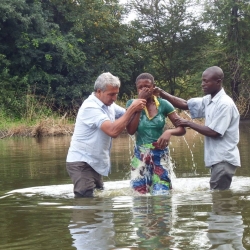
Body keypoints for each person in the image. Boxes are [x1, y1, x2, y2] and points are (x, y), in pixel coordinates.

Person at [155, 66, 241, 190]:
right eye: (202, 81)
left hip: (224, 159)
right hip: (218, 159)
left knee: (220, 200)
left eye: (206, 81)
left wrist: (189, 123)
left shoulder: (225, 104)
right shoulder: (209, 100)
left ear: (218, 82)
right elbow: (185, 104)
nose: (202, 84)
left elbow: (214, 132)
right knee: (218, 197)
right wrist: (161, 93)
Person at [66, 72, 147, 198]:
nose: (114, 98)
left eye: (116, 94)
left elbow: (127, 116)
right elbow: (113, 131)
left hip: (94, 162)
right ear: (99, 91)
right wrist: (132, 108)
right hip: (82, 162)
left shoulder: (109, 105)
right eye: (111, 94)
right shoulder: (90, 106)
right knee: (85, 199)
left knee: (98, 200)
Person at [126, 73, 186, 195]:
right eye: (140, 87)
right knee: (139, 195)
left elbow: (182, 128)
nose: (144, 89)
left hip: (160, 154)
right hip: (140, 155)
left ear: (153, 87)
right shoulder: (131, 104)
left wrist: (169, 131)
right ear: (137, 89)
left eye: (147, 86)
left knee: (161, 195)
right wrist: (139, 105)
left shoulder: (163, 104)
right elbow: (131, 130)